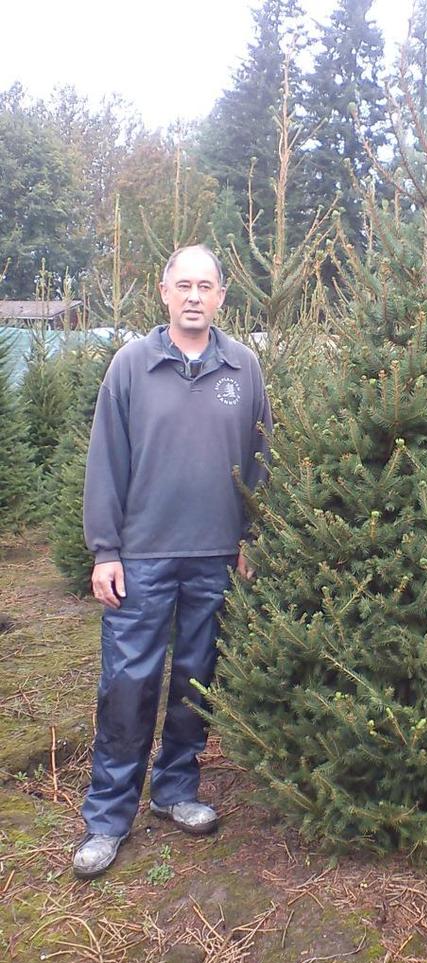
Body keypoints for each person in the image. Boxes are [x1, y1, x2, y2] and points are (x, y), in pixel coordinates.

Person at [73, 244, 271, 879]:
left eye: (205, 285)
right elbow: (106, 460)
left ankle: (177, 789)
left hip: (216, 555)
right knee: (128, 684)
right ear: (163, 293)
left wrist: (253, 538)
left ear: (220, 296)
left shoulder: (243, 367)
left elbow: (261, 459)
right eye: (182, 284)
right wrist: (106, 550)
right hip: (143, 556)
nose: (193, 296)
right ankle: (107, 817)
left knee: (195, 679)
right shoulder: (132, 365)